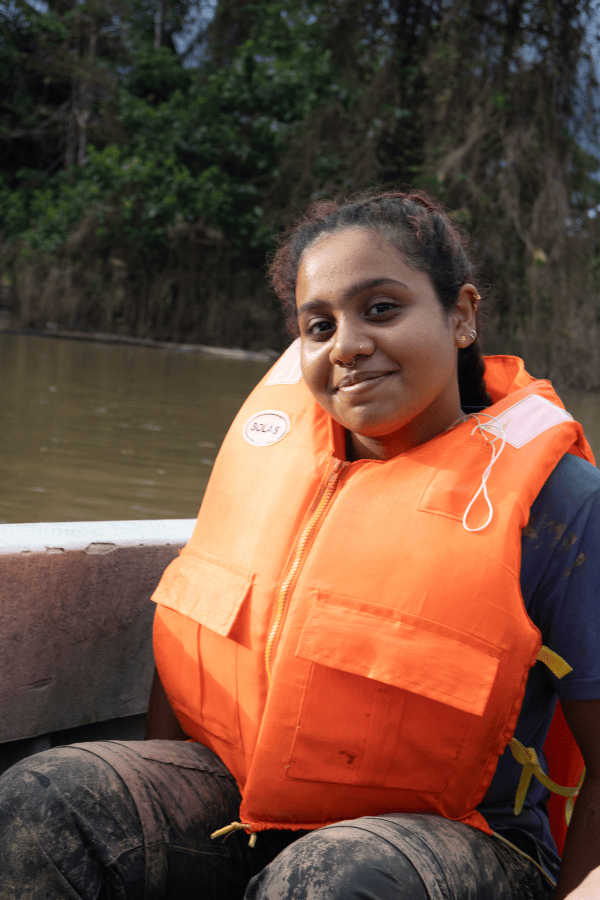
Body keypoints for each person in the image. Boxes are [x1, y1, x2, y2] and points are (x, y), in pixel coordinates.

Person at [1, 190, 599, 900]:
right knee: (48, 798)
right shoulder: (273, 460)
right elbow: (194, 631)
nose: (346, 344)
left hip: (455, 846)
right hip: (249, 817)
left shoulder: (561, 505)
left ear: (462, 314)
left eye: (381, 308)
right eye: (319, 325)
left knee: (337, 880)